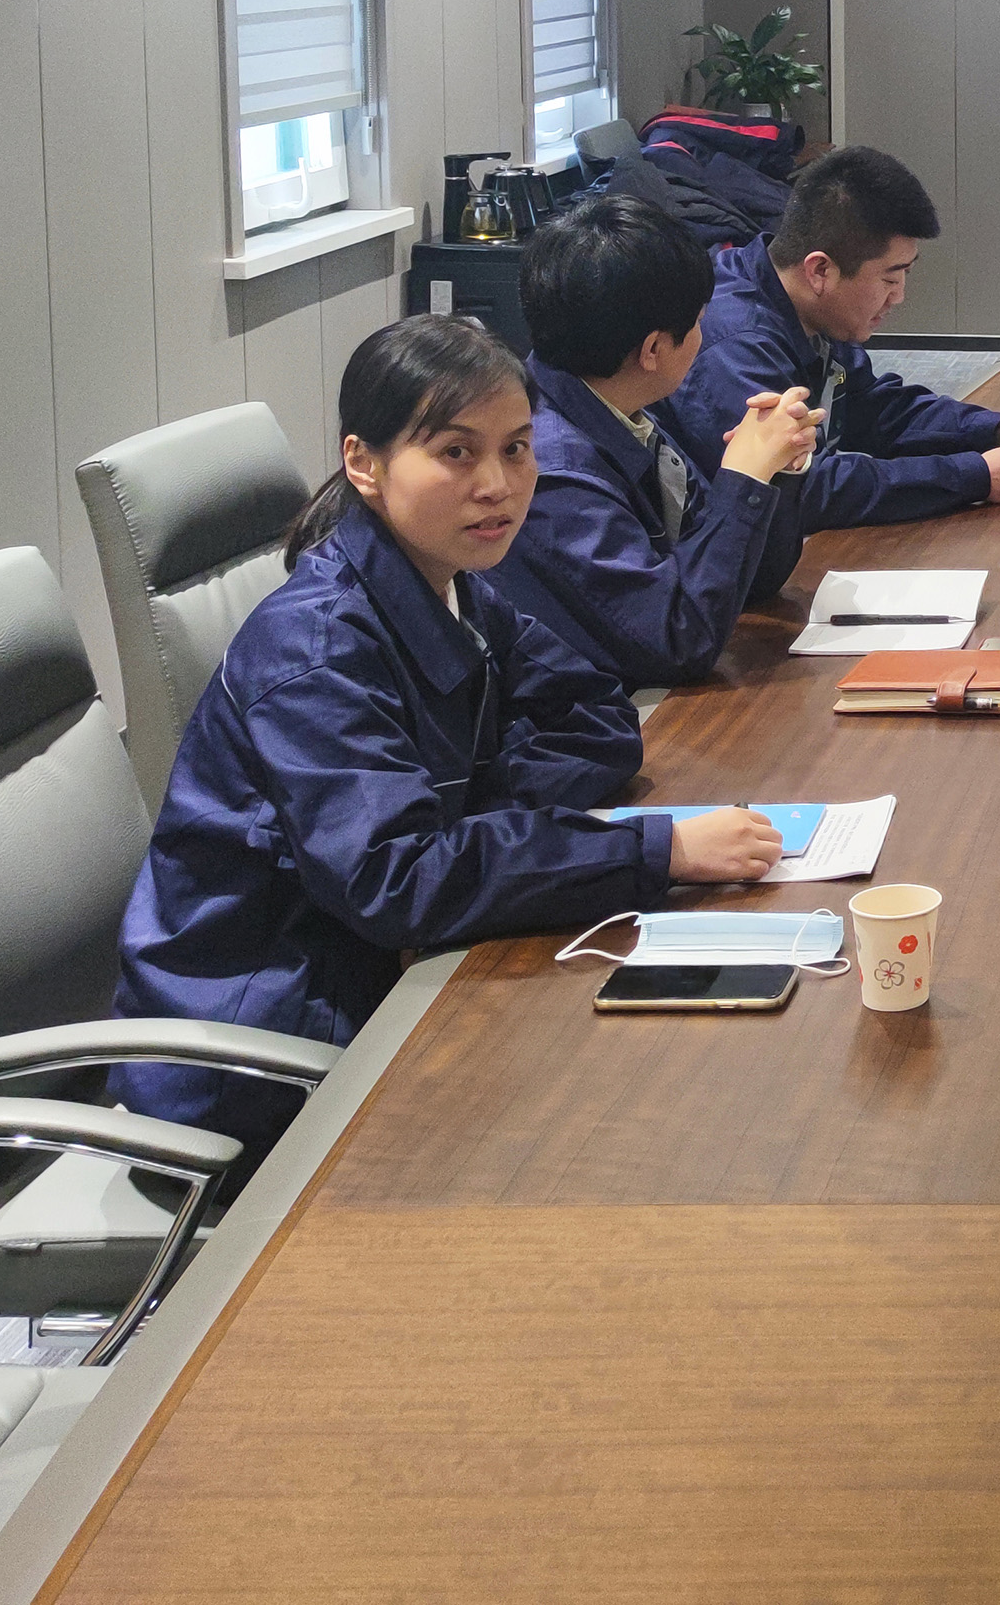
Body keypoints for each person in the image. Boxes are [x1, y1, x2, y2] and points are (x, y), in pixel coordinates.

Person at [113, 317, 781, 1153]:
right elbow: (399, 879)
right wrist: (655, 850)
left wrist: (477, 823)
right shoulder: (315, 649)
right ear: (364, 463)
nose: (498, 484)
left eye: (517, 448)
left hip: (382, 977)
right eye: (457, 452)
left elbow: (599, 717)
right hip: (263, 1050)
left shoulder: (451, 583)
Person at [662, 143, 1000, 597]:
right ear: (820, 270)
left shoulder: (815, 309)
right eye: (890, 278)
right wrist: (976, 475)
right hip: (724, 594)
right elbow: (804, 488)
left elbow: (872, 409)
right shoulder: (734, 342)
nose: (899, 297)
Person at [497, 194, 823, 694]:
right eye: (699, 323)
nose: (703, 336)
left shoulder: (615, 405)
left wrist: (775, 470)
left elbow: (748, 582)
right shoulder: (552, 471)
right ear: (652, 349)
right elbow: (678, 641)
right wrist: (743, 479)